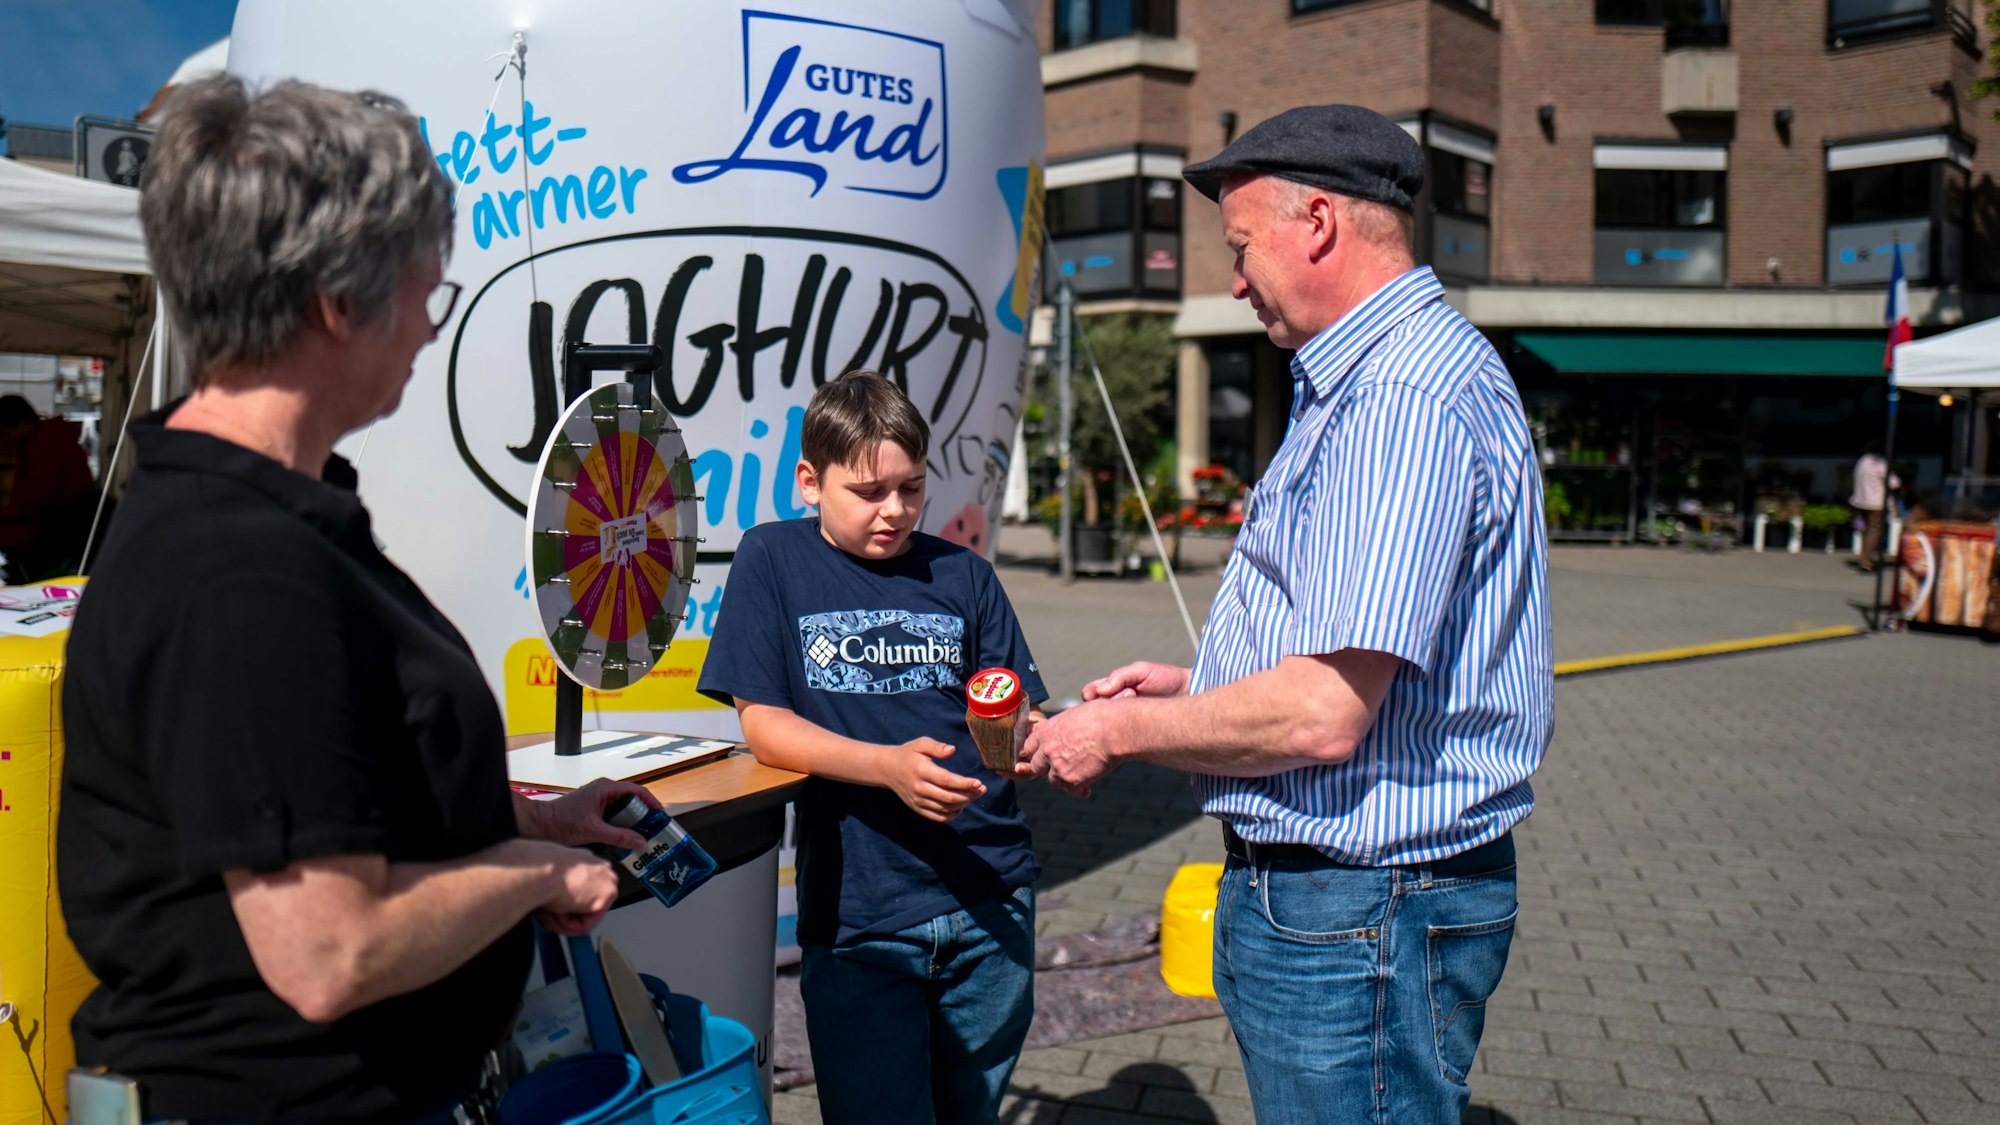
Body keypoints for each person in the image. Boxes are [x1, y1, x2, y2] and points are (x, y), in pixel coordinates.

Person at [57, 76, 660, 1124]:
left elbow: (315, 784)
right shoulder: (237, 569)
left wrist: (518, 817)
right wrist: (531, 876)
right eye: (432, 288)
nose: (432, 324)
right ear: (340, 302)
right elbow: (328, 953)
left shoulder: (267, 523)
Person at [1020, 105, 1553, 1125]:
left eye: (1238, 246)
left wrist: (1118, 730)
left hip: (1357, 907)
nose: (1230, 279)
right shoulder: (1381, 380)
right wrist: (1200, 689)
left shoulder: (1396, 397)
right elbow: (1361, 659)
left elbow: (1322, 713)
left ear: (1316, 221)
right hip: (1359, 903)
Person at [697, 371, 1045, 1125]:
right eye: (868, 491)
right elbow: (763, 724)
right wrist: (885, 768)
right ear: (809, 481)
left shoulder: (965, 574)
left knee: (970, 1114)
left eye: (911, 488)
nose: (894, 510)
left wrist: (1048, 741)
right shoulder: (773, 559)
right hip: (862, 916)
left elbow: (1016, 708)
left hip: (992, 896)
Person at [0, 393, 96, 583]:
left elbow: (32, 501)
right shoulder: (43, 439)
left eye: (3, 432)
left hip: (64, 530)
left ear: (18, 425)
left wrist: (4, 515)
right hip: (62, 526)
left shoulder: (46, 446)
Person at [1851, 440, 1899, 572]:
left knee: (1865, 531)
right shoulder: (1880, 463)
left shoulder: (1861, 461)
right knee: (1875, 531)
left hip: (1859, 501)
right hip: (1875, 502)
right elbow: (1893, 483)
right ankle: (1866, 561)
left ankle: (1864, 557)